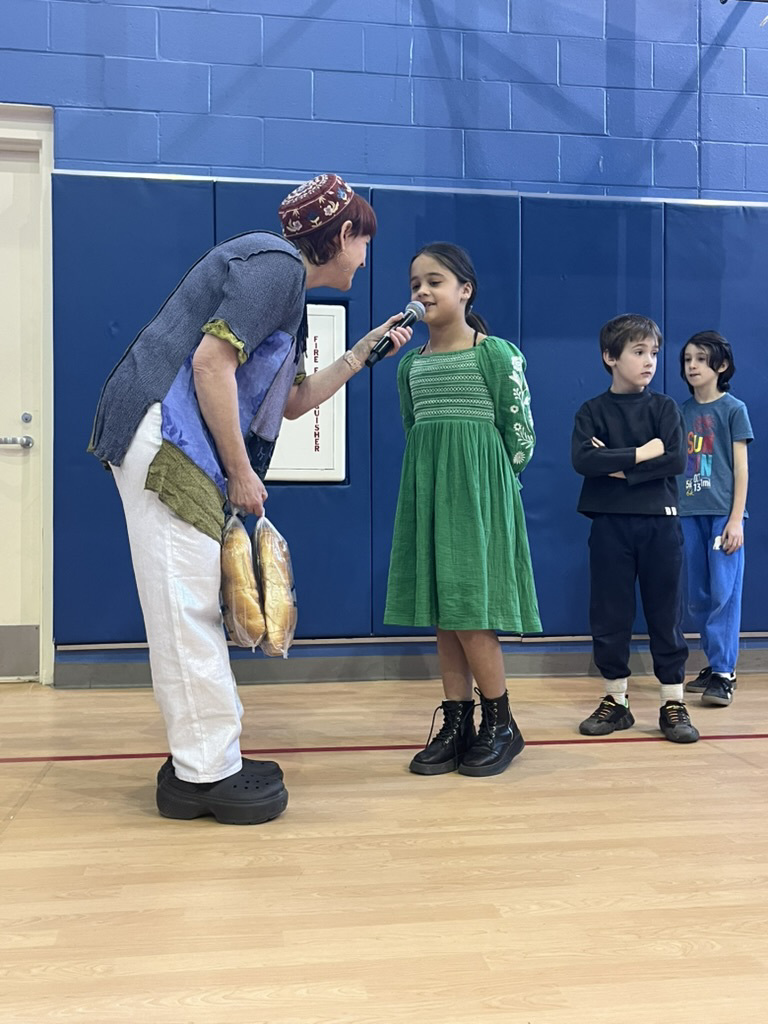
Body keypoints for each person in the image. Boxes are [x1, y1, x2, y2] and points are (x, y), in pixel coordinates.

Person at [88, 173, 412, 825]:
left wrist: (359, 353)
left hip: (176, 442)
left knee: (188, 604)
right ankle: (206, 772)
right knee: (185, 608)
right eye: (364, 243)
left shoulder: (285, 290)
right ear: (344, 233)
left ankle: (203, 757)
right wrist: (240, 472)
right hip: (169, 437)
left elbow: (290, 402)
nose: (365, 258)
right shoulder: (277, 267)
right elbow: (211, 365)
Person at [384, 242, 541, 778]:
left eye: (435, 281)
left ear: (465, 290)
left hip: (480, 498)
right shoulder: (411, 365)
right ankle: (458, 724)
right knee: (445, 615)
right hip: (430, 495)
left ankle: (502, 723)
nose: (423, 292)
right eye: (415, 284)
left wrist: (492, 490)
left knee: (472, 612)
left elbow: (521, 435)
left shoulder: (495, 355)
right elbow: (414, 431)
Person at [572, 314, 699, 744]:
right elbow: (584, 460)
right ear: (610, 357)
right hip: (609, 523)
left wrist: (619, 467)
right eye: (638, 352)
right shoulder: (592, 411)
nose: (649, 362)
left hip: (660, 524)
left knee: (666, 614)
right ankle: (616, 700)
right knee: (610, 613)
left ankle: (672, 702)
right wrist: (643, 453)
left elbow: (675, 459)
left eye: (654, 353)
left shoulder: (664, 408)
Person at [678, 331, 753, 707]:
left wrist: (735, 519)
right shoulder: (681, 412)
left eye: (701, 359)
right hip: (688, 514)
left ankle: (725, 673)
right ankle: (713, 664)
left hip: (722, 516)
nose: (692, 366)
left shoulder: (733, 409)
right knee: (698, 597)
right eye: (688, 359)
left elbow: (741, 469)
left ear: (721, 365)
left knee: (724, 594)